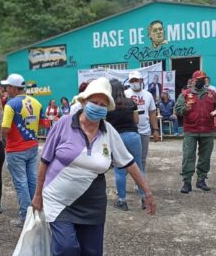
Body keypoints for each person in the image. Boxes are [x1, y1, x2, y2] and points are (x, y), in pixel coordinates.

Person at [31, 77, 156, 255]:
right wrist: (38, 194)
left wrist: (147, 192)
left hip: (92, 205)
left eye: (102, 104)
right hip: (58, 200)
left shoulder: (108, 131)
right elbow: (44, 160)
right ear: (83, 102)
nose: (98, 106)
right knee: (66, 248)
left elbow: (129, 162)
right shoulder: (63, 124)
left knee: (92, 252)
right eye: (94, 102)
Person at [0, 73, 43, 227]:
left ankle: (25, 216)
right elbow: (43, 123)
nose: (6, 89)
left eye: (7, 87)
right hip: (32, 145)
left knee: (21, 183)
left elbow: (5, 128)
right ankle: (35, 211)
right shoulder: (36, 102)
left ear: (12, 88)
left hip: (15, 149)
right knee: (32, 180)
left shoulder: (11, 104)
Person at [175, 70, 216, 194]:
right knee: (188, 156)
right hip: (190, 130)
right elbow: (177, 110)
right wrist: (185, 109)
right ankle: (187, 182)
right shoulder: (185, 94)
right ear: (193, 80)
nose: (202, 81)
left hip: (207, 131)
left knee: (205, 157)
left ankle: (201, 180)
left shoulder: (212, 94)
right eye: (199, 79)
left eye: (204, 79)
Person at [106, 79, 144, 211]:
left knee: (120, 170)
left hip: (117, 139)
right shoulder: (131, 102)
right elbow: (136, 120)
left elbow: (105, 126)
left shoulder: (108, 106)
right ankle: (144, 197)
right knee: (138, 167)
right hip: (134, 136)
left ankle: (122, 201)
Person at [125, 71, 160, 176]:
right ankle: (122, 183)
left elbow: (152, 113)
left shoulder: (148, 95)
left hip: (144, 131)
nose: (134, 82)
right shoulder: (125, 94)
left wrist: (156, 130)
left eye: (136, 80)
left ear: (141, 81)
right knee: (126, 159)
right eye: (132, 80)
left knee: (142, 159)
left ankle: (139, 183)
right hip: (128, 132)